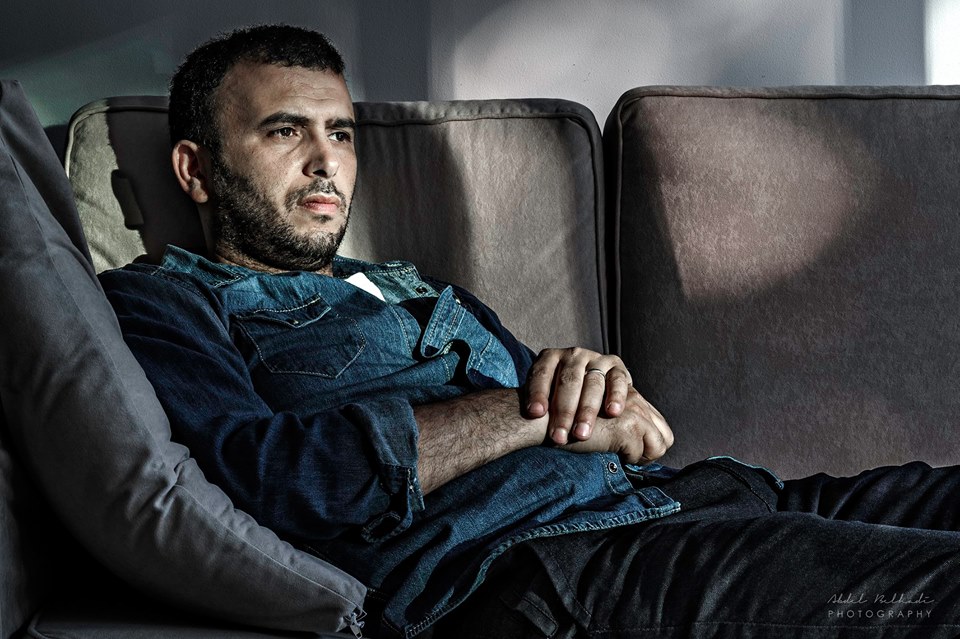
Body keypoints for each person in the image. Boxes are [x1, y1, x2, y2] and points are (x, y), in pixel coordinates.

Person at [100, 24, 960, 639]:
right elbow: (270, 479)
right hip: (543, 569)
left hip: (688, 499)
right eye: (286, 130)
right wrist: (531, 411)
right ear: (196, 169)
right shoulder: (166, 302)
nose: (327, 160)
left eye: (340, 132)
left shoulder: (415, 286)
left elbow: (587, 419)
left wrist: (599, 386)